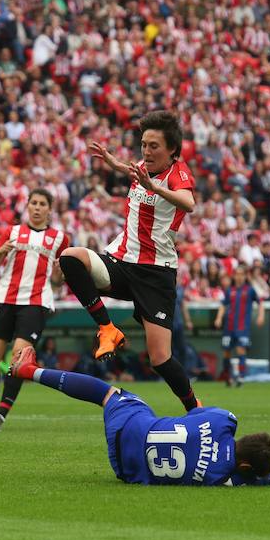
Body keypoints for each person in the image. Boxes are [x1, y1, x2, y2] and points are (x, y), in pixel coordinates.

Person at [9, 345, 270, 486]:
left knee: (108, 394)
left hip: (131, 426)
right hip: (127, 471)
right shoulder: (230, 478)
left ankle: (30, 371)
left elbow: (195, 413)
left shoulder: (224, 420)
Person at [59, 111, 202, 412]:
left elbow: (189, 203)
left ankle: (196, 409)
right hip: (122, 262)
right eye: (144, 144)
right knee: (71, 259)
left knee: (160, 358)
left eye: (154, 146)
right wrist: (113, 163)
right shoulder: (140, 167)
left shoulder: (178, 174)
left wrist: (156, 189)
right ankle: (107, 328)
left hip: (156, 274)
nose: (147, 152)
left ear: (172, 150)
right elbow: (135, 170)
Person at [0, 188, 68, 432]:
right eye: (33, 203)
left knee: (18, 357)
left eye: (42, 204)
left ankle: (1, 413)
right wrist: (1, 251)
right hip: (5, 298)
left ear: (49, 209)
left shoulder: (59, 239)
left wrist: (59, 276)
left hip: (36, 302)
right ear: (27, 206)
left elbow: (58, 280)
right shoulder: (12, 232)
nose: (37, 207)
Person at [214, 266, 266, 386]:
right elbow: (223, 304)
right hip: (229, 327)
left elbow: (260, 303)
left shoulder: (250, 290)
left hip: (243, 327)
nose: (239, 276)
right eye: (237, 274)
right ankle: (227, 376)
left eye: (241, 274)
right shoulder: (229, 290)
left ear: (245, 276)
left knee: (241, 350)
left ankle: (241, 377)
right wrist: (218, 318)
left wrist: (261, 316)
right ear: (234, 276)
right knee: (226, 352)